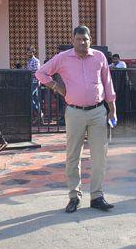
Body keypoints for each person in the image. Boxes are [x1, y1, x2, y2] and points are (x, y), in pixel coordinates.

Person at [36, 25, 117, 213]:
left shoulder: (99, 57)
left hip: (98, 112)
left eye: (85, 39)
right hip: (74, 113)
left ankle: (97, 196)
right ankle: (74, 196)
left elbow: (108, 83)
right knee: (73, 156)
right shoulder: (62, 58)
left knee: (99, 156)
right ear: (73, 40)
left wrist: (112, 110)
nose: (82, 42)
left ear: (90, 40)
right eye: (79, 39)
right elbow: (40, 73)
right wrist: (56, 86)